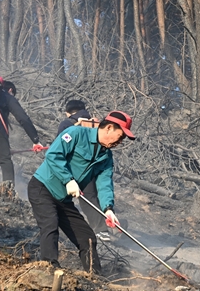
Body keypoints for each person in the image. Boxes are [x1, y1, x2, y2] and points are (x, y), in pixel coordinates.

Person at [28, 111, 136, 273]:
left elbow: (104, 184)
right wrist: (68, 180)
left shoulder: (106, 157)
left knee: (88, 238)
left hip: (63, 200)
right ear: (108, 128)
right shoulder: (76, 133)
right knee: (50, 224)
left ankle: (95, 278)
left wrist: (108, 209)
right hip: (43, 187)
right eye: (120, 137)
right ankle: (49, 269)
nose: (120, 142)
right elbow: (53, 155)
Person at [57, 99, 109, 240]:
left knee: (82, 197)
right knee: (93, 196)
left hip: (78, 167)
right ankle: (106, 228)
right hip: (97, 164)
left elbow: (59, 145)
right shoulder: (96, 124)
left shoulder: (67, 123)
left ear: (68, 112)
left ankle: (100, 230)